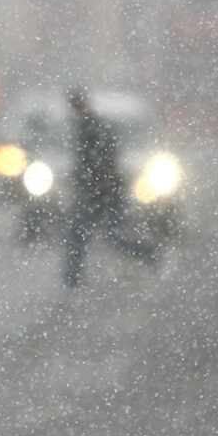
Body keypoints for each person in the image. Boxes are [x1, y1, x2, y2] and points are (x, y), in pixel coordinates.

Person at [63, 87, 159, 288]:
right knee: (86, 236)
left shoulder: (93, 128)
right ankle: (71, 281)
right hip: (100, 193)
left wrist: (94, 183)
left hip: (102, 193)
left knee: (103, 237)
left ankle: (151, 254)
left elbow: (102, 163)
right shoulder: (87, 126)